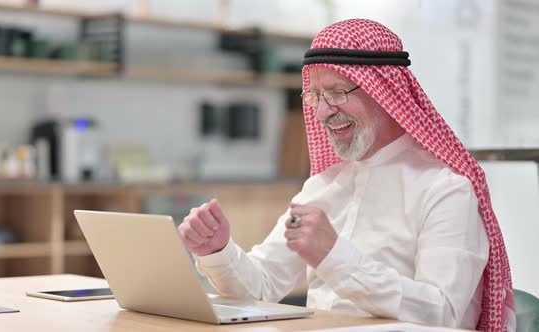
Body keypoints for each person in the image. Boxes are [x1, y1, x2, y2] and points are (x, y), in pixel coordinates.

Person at [178, 19, 515, 332]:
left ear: (385, 92)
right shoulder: (321, 187)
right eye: (315, 96)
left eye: (338, 93)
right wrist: (217, 250)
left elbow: (442, 315)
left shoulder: (445, 190)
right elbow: (261, 285)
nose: (324, 112)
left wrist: (335, 256)